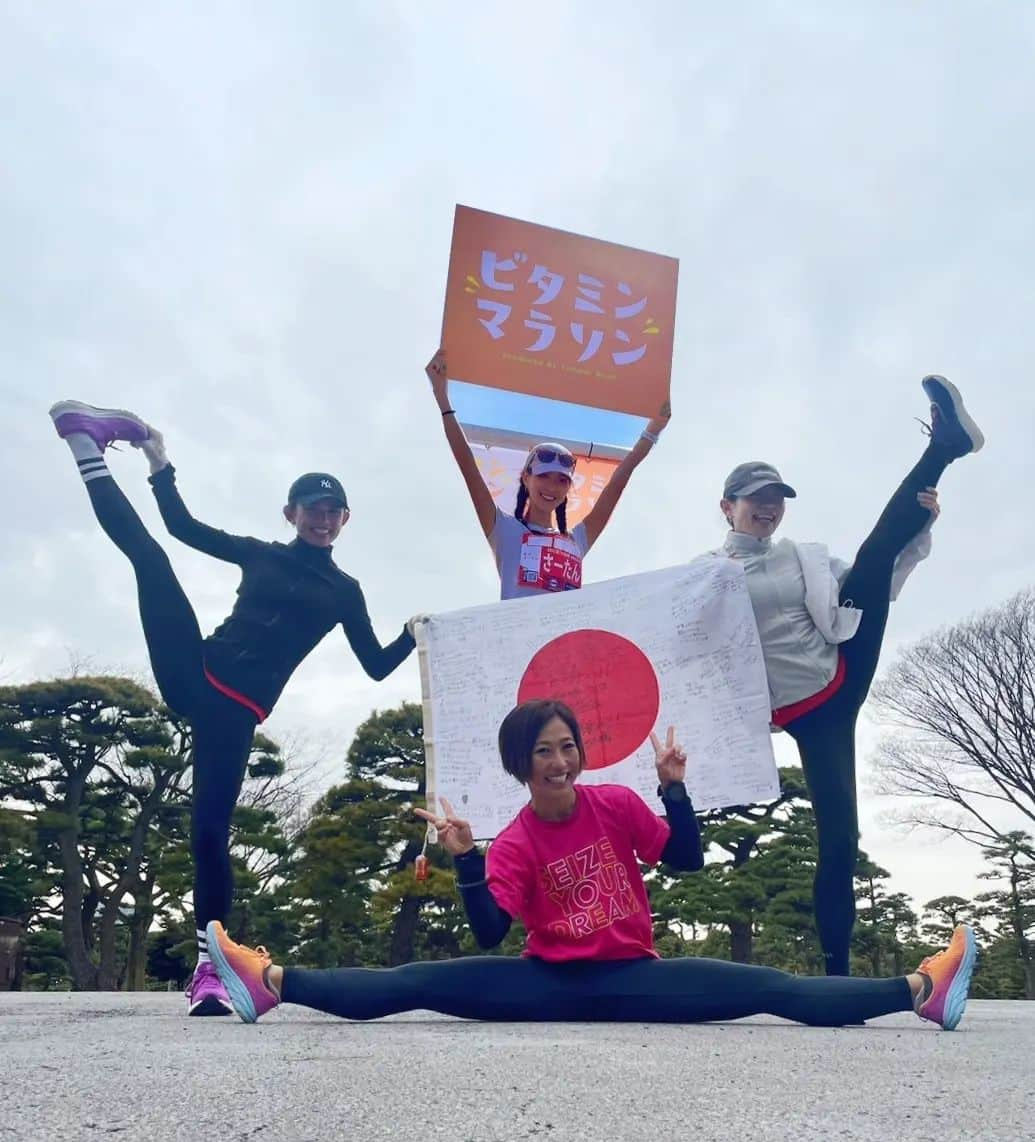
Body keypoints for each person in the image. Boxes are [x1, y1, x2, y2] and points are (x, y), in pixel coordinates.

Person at [205, 700, 976, 1031]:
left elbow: (684, 860)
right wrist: (467, 859)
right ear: (520, 764)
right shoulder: (511, 840)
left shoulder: (610, 804)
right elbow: (490, 926)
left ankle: (920, 990)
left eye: (567, 745)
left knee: (769, 989)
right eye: (543, 751)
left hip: (632, 973)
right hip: (546, 978)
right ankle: (269, 986)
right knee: (416, 984)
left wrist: (674, 793)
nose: (559, 760)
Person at [49, 400, 419, 1015]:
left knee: (209, 831)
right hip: (196, 670)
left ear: (345, 519)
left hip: (234, 709)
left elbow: (376, 665)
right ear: (291, 514)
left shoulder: (344, 592)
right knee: (152, 559)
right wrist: (159, 462)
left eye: (333, 511)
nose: (321, 519)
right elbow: (180, 527)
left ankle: (211, 972)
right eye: (311, 509)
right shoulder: (261, 552)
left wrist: (415, 633)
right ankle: (85, 444)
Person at [710, 375, 984, 975]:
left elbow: (877, 577)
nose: (768, 505)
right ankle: (837, 976)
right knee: (840, 840)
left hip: (840, 666)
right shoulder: (706, 574)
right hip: (803, 714)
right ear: (727, 505)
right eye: (755, 496)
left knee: (872, 554)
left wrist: (920, 527)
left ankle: (945, 448)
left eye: (776, 496)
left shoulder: (802, 555)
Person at [425, 349, 671, 598]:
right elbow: (468, 465)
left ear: (567, 490)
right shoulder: (503, 530)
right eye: (544, 476)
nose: (552, 487)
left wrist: (655, 429)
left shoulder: (577, 541)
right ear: (526, 478)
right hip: (515, 636)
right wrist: (442, 399)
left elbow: (620, 477)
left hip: (565, 638)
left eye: (562, 480)